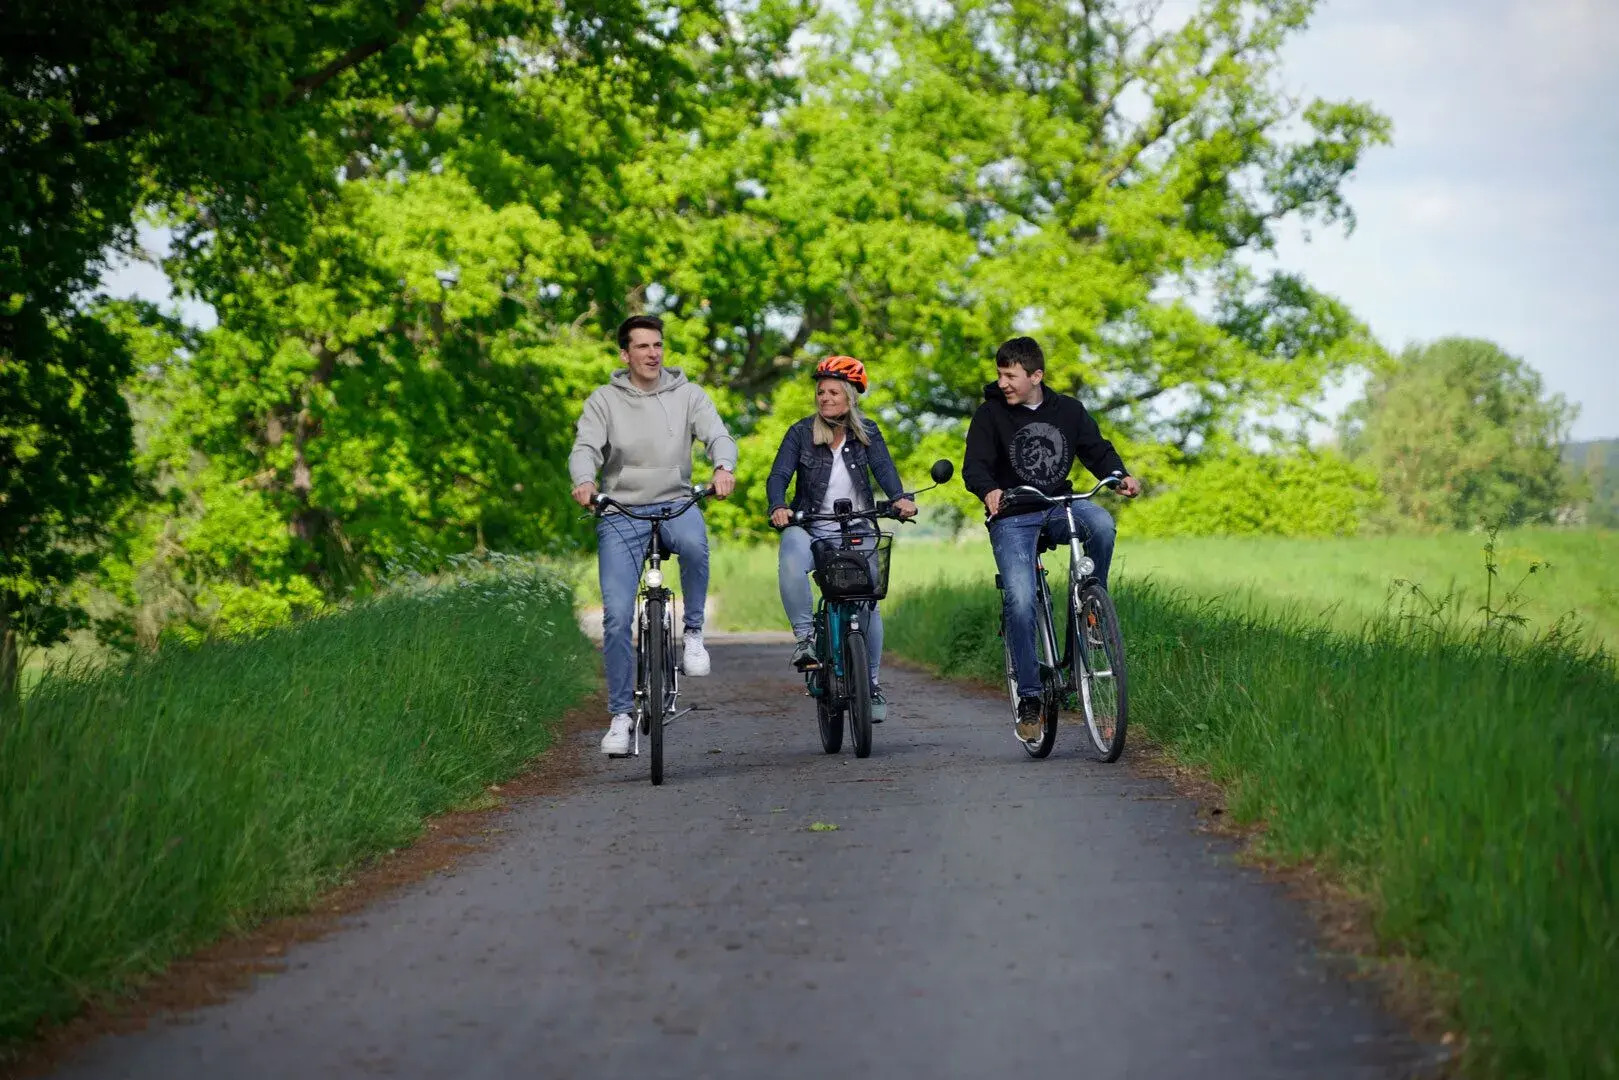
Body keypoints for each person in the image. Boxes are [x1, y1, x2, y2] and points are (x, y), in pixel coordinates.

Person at [569, 315, 738, 756]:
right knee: (616, 613)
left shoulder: (688, 394)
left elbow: (718, 435)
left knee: (696, 546)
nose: (652, 353)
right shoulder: (604, 400)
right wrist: (585, 481)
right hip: (622, 510)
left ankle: (695, 635)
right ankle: (621, 717)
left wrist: (724, 467)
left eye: (657, 345)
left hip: (676, 501)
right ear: (625, 354)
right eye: (642, 346)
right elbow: (585, 447)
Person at [962, 336, 1142, 741]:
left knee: (1100, 523)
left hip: (1059, 505)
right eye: (1000, 375)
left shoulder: (1069, 411)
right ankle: (1030, 698)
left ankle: (1092, 604)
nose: (1003, 382)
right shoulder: (990, 415)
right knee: (1021, 600)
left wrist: (1119, 477)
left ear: (1036, 376)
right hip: (1012, 515)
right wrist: (989, 490)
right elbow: (974, 467)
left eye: (1011, 376)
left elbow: (1098, 452)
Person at [766, 355, 916, 723]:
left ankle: (873, 683)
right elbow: (778, 476)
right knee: (789, 557)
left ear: (850, 397)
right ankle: (805, 640)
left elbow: (885, 470)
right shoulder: (800, 433)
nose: (825, 398)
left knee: (870, 604)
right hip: (812, 526)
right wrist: (778, 506)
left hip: (858, 529)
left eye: (834, 392)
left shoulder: (868, 432)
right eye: (820, 392)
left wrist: (899, 499)